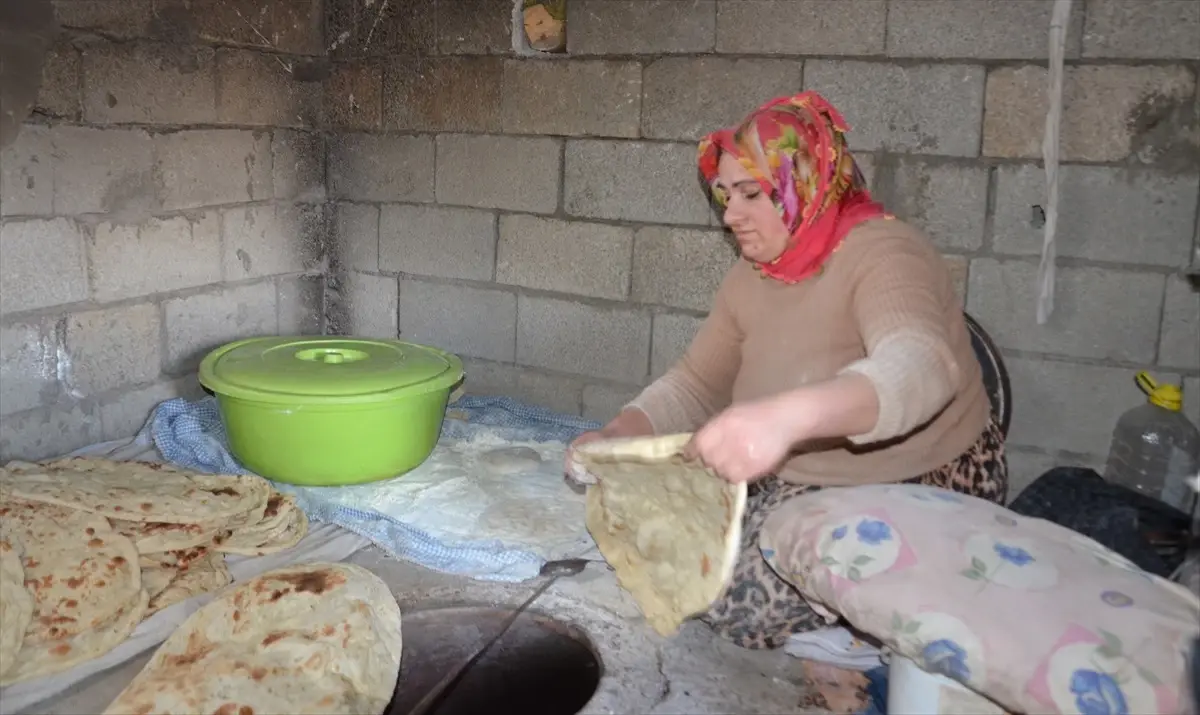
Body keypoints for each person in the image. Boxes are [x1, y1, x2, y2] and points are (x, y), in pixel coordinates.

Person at [566, 92, 1008, 653]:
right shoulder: (752, 278)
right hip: (804, 473)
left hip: (917, 478)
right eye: (725, 196)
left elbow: (920, 364)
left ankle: (860, 646)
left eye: (751, 193)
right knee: (665, 556)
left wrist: (784, 419)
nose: (730, 215)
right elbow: (698, 382)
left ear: (807, 179)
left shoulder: (885, 252)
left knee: (733, 607)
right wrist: (616, 435)